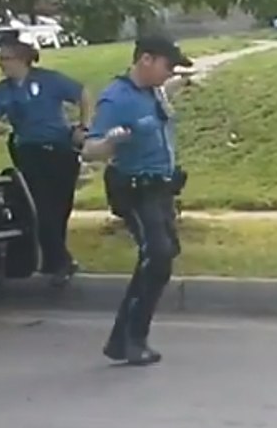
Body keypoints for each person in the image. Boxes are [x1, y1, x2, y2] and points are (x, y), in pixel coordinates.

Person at [81, 35, 193, 366]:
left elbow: (162, 100)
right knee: (156, 255)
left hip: (160, 188)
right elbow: (90, 149)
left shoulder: (153, 91)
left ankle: (124, 340)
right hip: (135, 188)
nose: (170, 72)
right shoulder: (116, 99)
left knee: (163, 255)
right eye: (167, 66)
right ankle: (130, 339)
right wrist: (113, 141)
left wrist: (180, 84)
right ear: (146, 60)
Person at [0, 36, 91, 287]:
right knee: (40, 208)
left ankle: (53, 261)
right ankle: (62, 261)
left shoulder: (49, 80)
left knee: (59, 208)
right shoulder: (3, 90)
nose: (1, 64)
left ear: (21, 59)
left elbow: (83, 93)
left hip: (60, 150)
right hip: (30, 152)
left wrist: (84, 127)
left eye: (5, 58)